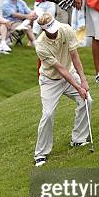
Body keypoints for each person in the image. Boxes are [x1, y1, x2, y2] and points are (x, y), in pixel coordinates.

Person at [33, 12, 91, 167]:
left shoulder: (66, 29)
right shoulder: (40, 45)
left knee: (87, 101)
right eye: (51, 29)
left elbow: (75, 57)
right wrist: (78, 87)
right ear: (44, 30)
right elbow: (60, 69)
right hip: (50, 80)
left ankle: (78, 139)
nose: (55, 31)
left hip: (70, 73)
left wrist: (83, 80)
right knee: (48, 114)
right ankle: (41, 153)